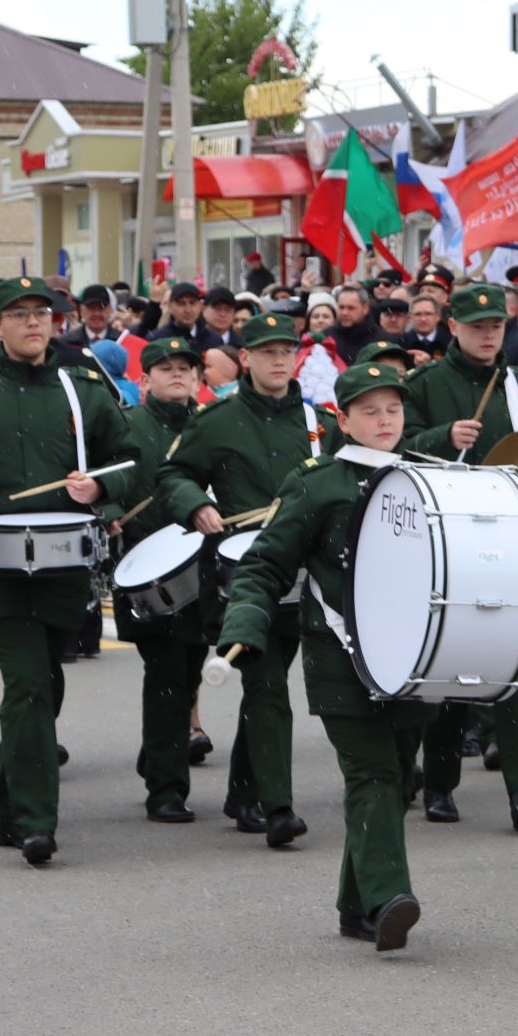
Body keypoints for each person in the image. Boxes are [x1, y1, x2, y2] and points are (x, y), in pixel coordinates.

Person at [0, 276, 139, 864]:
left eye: (43, 313)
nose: (34, 323)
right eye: (20, 314)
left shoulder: (83, 390)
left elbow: (135, 462)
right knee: (29, 682)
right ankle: (39, 824)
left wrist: (103, 491)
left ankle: (10, 807)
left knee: (46, 685)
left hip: (66, 562)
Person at [216, 363, 433, 950]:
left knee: (395, 780)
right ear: (342, 419)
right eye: (369, 411)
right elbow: (264, 564)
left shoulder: (428, 481)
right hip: (341, 656)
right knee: (374, 773)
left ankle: (355, 906)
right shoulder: (317, 483)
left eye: (393, 409)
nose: (384, 421)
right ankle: (391, 898)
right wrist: (245, 621)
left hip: (414, 661)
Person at [401, 283, 518, 824]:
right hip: (447, 542)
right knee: (454, 667)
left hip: (517, 540)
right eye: (476, 327)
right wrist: (441, 437)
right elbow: (396, 450)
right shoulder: (426, 384)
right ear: (453, 327)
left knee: (515, 664)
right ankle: (439, 785)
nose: (488, 334)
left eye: (496, 326)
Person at [157, 310, 321, 845]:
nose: (279, 361)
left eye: (286, 351)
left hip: (302, 578)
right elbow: (174, 474)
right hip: (240, 576)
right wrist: (194, 507)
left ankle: (243, 791)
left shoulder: (320, 424)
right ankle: (277, 807)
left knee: (267, 690)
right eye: (267, 352)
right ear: (244, 359)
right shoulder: (216, 420)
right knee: (268, 685)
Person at [104, 335, 218, 825]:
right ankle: (166, 788)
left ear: (197, 379)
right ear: (143, 379)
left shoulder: (210, 426)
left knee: (191, 666)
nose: (178, 375)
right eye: (165, 368)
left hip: (201, 565)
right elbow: (98, 477)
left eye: (186, 369)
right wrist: (110, 511)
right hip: (145, 565)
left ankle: (157, 756)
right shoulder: (127, 425)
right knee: (169, 674)